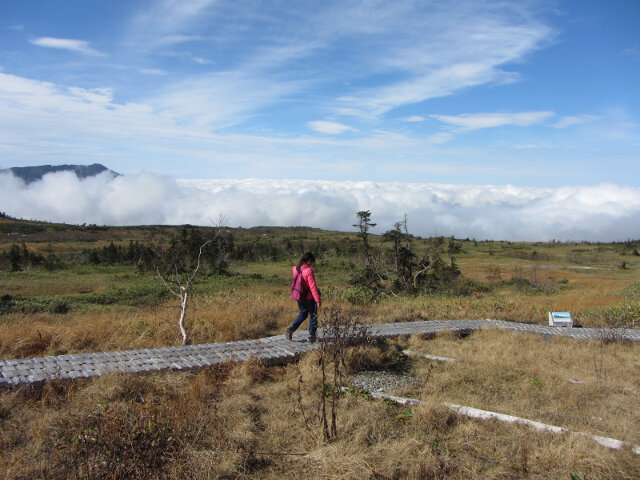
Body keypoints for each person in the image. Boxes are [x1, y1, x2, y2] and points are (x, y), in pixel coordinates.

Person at [286, 252, 321, 342]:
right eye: (312, 263)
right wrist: (318, 300)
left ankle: (291, 329)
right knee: (313, 315)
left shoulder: (295, 269)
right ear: (309, 261)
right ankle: (311, 335)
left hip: (299, 296)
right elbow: (312, 287)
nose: (312, 265)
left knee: (303, 313)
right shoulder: (309, 271)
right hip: (309, 297)